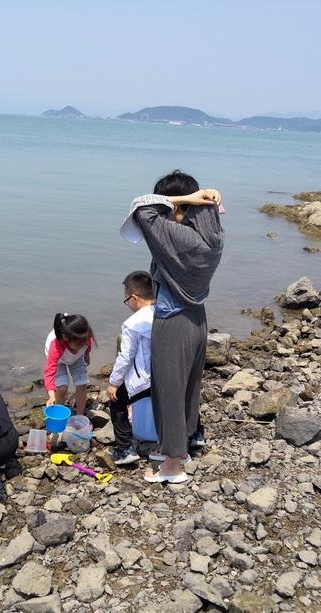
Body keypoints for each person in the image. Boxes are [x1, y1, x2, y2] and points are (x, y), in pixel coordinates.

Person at [120, 170, 224, 483]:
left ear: (181, 206)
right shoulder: (211, 235)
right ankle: (181, 446)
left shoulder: (177, 236)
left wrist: (183, 199)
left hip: (173, 320)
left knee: (168, 391)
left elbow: (141, 207)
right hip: (196, 318)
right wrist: (203, 198)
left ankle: (172, 465)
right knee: (188, 388)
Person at [106, 271, 156, 465]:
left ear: (134, 298)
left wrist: (113, 382)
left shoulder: (132, 323)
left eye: (126, 300)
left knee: (116, 401)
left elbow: (125, 356)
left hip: (144, 379)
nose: (127, 304)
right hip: (165, 376)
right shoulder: (164, 312)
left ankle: (125, 448)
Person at [44, 313, 95, 415]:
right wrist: (51, 395)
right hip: (59, 360)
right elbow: (49, 372)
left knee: (82, 384)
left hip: (77, 357)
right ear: (66, 339)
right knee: (62, 388)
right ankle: (59, 415)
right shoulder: (55, 346)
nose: (83, 344)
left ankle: (80, 415)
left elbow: (88, 346)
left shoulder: (85, 337)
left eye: (85, 342)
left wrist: (86, 355)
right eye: (79, 344)